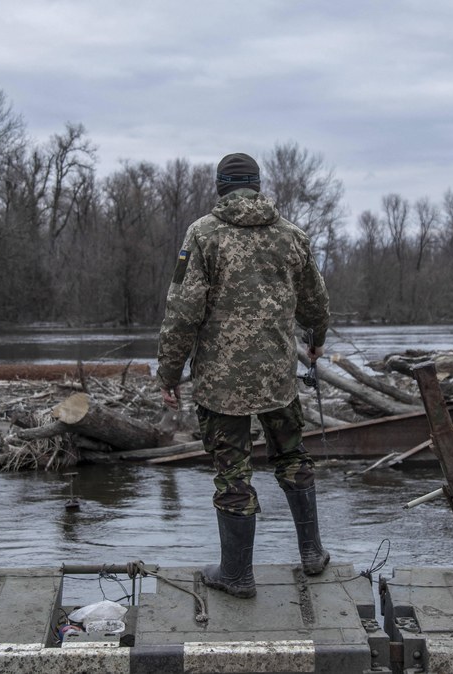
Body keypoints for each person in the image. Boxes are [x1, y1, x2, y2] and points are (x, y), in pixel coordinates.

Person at [157, 152, 331, 599]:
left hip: (220, 386)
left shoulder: (202, 235)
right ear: (257, 185)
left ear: (220, 187)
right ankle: (312, 554)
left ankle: (237, 575)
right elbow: (316, 301)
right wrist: (316, 339)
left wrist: (169, 373)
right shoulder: (292, 235)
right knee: (293, 458)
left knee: (233, 476)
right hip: (278, 379)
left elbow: (182, 312)